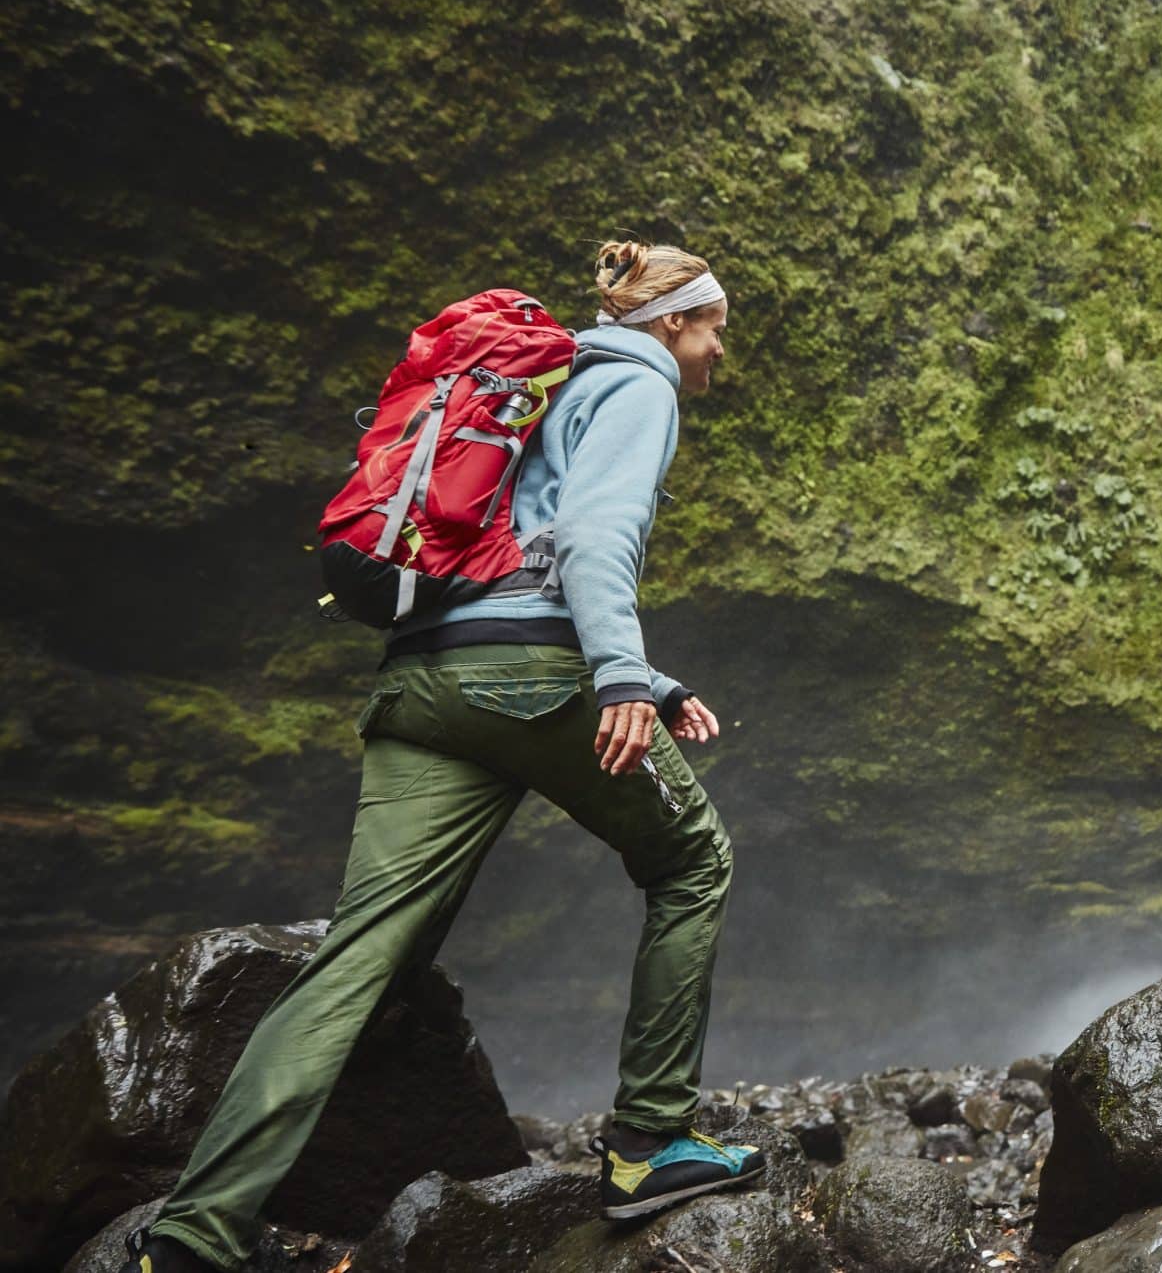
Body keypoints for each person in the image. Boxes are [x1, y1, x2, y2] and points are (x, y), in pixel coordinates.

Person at [127, 241, 761, 1273]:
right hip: (531, 676)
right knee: (693, 864)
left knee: (357, 958)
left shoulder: (535, 385)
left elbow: (514, 550)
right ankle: (649, 1142)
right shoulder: (639, 388)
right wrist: (616, 675)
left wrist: (652, 678)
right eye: (714, 325)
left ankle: (194, 1238)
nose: (719, 348)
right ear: (673, 324)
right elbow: (595, 538)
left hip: (424, 676)